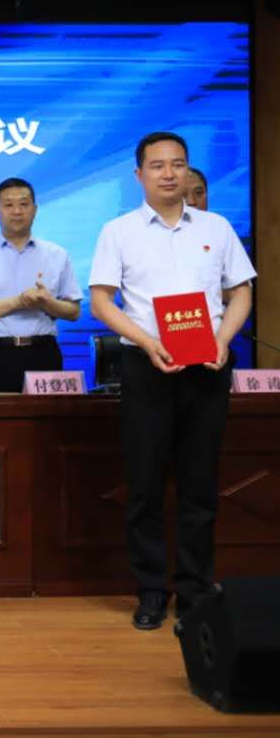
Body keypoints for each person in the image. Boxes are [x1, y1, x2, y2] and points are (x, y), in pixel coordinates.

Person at [89, 132, 254, 630]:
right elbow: (101, 301)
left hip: (207, 366)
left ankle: (195, 591)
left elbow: (241, 292)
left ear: (188, 171)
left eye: (177, 164)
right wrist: (146, 341)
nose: (168, 173)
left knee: (200, 485)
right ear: (138, 174)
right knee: (144, 486)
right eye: (158, 165)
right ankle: (150, 593)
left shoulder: (216, 227)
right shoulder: (118, 231)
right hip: (147, 366)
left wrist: (223, 339)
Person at [0, 178, 81, 392]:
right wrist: (18, 302)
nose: (17, 211)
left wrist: (46, 302)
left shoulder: (57, 254)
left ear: (35, 210)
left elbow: (73, 312)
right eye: (8, 205)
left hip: (43, 353)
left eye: (24, 204)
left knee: (47, 415)